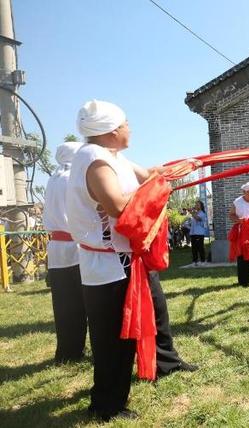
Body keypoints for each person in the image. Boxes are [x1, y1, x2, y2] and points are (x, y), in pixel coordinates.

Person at [67, 100, 195, 421]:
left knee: (130, 330)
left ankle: (118, 392)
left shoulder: (113, 157)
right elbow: (117, 205)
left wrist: (181, 168)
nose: (130, 129)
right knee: (113, 339)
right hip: (107, 265)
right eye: (126, 125)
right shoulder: (95, 161)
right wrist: (155, 194)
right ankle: (106, 406)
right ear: (112, 132)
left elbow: (149, 176)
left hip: (123, 260)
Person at [43, 141, 86, 363]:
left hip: (57, 249)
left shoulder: (53, 179)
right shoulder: (73, 178)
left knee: (64, 304)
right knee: (87, 301)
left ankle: (68, 352)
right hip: (76, 247)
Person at [189, 201, 207, 266]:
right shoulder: (195, 213)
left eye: (198, 205)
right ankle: (195, 261)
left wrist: (192, 212)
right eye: (196, 204)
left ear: (201, 206)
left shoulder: (202, 213)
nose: (196, 206)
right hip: (193, 233)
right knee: (194, 248)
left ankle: (203, 261)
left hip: (199, 233)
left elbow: (197, 218)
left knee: (200, 247)